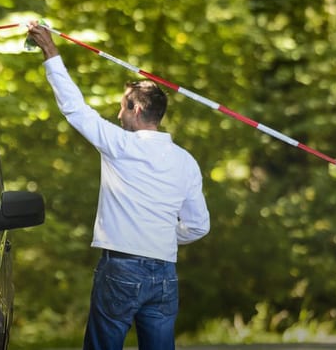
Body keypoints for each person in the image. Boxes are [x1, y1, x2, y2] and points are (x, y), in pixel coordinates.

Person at [25, 21, 211, 350]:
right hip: (165, 273)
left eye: (122, 106)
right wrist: (161, 236)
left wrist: (50, 51)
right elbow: (198, 226)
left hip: (122, 269)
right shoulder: (186, 161)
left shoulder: (121, 146)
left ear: (136, 109)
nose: (117, 113)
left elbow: (74, 108)